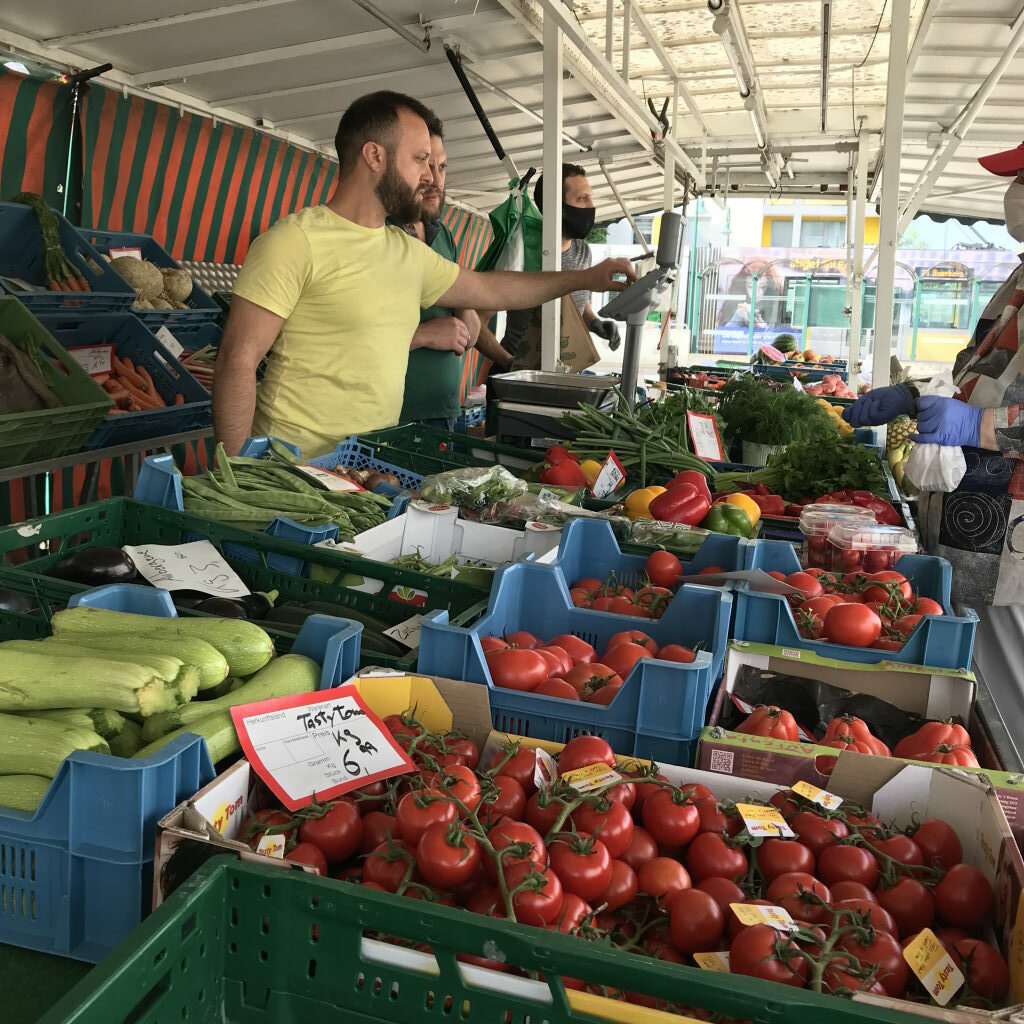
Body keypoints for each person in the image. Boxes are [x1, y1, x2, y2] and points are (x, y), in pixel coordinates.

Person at [214, 91, 634, 458]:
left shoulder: (407, 253)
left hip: (365, 468)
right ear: (374, 155)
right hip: (294, 471)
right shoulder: (295, 240)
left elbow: (492, 288)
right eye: (419, 160)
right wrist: (236, 478)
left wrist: (583, 279)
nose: (431, 177)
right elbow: (237, 361)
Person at [397, 115, 511, 430]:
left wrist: (461, 297)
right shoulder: (381, 233)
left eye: (442, 167)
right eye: (424, 164)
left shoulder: (443, 236)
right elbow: (350, 336)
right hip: (395, 416)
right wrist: (423, 335)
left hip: (444, 409)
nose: (435, 179)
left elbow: (470, 334)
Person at [501, 164, 622, 363]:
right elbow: (478, 316)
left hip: (560, 372)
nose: (591, 206)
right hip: (518, 375)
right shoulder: (523, 250)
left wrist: (593, 322)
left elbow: (575, 300)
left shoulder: (583, 251)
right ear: (556, 207)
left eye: (591, 198)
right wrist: (507, 363)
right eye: (582, 199)